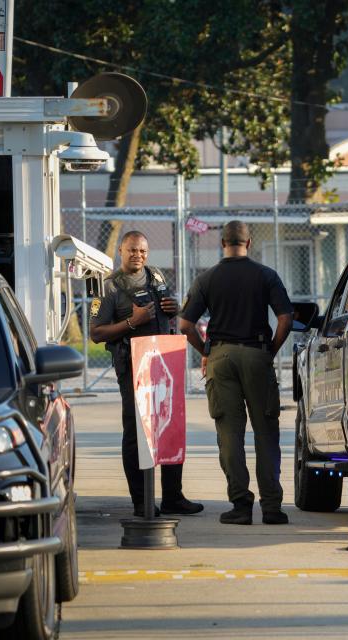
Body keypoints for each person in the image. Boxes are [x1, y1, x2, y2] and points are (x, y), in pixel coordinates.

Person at [178, 220, 293, 525]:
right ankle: (271, 508)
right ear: (249, 243)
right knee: (266, 432)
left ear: (222, 244)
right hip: (257, 353)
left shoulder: (207, 279)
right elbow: (286, 318)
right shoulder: (266, 275)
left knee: (230, 435)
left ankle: (241, 506)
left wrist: (206, 352)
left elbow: (185, 325)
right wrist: (271, 350)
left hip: (221, 357)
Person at [90, 230, 204, 518]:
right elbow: (96, 333)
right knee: (136, 432)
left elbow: (170, 311)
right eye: (132, 250)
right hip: (132, 366)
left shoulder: (156, 276)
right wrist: (132, 321)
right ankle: (141, 501)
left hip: (164, 362)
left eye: (142, 251)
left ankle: (173, 497)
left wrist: (175, 309)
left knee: (170, 426)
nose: (137, 255)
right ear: (120, 251)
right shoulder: (108, 287)